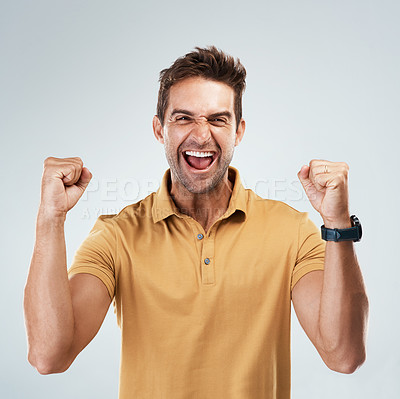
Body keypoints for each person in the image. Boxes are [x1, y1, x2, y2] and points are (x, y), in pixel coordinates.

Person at [24, 46, 369, 399]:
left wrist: (337, 223)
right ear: (160, 129)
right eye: (184, 118)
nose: (202, 135)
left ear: (238, 132)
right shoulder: (117, 236)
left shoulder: (291, 231)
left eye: (218, 119)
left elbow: (343, 355)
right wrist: (49, 220)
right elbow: (49, 356)